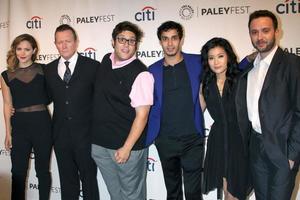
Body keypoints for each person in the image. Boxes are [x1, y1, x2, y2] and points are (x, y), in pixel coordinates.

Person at [235, 10, 300, 200]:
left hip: (282, 149)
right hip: (255, 148)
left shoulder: (293, 64)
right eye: (254, 32)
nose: (260, 37)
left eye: (265, 30)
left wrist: (292, 153)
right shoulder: (249, 69)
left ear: (276, 32)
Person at [91, 21, 154, 200]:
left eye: (131, 41)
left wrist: (126, 148)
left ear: (136, 45)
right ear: (113, 41)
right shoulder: (105, 60)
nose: (126, 45)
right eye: (122, 39)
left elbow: (142, 116)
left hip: (126, 148)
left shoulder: (141, 74)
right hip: (100, 146)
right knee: (116, 195)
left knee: (132, 196)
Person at [146, 21, 205, 200]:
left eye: (174, 38)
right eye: (165, 39)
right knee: (173, 193)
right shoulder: (152, 70)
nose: (170, 43)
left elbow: (226, 69)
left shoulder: (197, 62)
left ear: (180, 40)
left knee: (194, 193)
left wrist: (248, 60)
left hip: (193, 139)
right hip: (165, 140)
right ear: (160, 42)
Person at [44, 24, 99, 200]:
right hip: (61, 137)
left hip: (87, 137)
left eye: (68, 41)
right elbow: (43, 98)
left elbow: (102, 101)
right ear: (55, 44)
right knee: (67, 183)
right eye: (60, 42)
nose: (64, 45)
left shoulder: (93, 67)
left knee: (89, 182)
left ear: (76, 42)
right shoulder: (48, 70)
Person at [1, 34, 52, 200]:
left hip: (42, 124)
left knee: (43, 170)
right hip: (20, 126)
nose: (22, 53)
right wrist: (8, 133)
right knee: (17, 172)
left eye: (27, 49)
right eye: (19, 49)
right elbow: (7, 104)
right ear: (14, 50)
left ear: (34, 51)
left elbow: (52, 95)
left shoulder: (44, 70)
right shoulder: (6, 75)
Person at [200, 37, 251, 200]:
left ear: (228, 56)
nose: (216, 62)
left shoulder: (242, 79)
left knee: (235, 193)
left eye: (220, 56)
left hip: (239, 140)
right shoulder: (206, 84)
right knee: (226, 189)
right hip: (218, 140)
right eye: (211, 58)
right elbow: (196, 111)